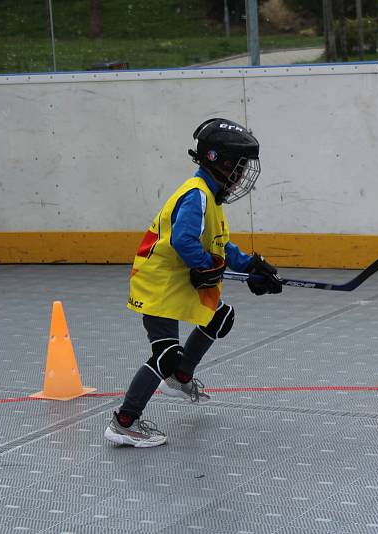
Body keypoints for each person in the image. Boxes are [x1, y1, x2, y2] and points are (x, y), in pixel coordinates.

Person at [104, 118, 282, 448]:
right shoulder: (196, 196)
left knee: (221, 316)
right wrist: (203, 269)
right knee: (166, 354)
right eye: (239, 168)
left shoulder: (209, 199)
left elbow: (218, 245)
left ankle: (181, 377)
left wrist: (252, 266)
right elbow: (185, 241)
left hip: (176, 280)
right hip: (158, 282)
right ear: (221, 162)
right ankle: (124, 422)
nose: (242, 176)